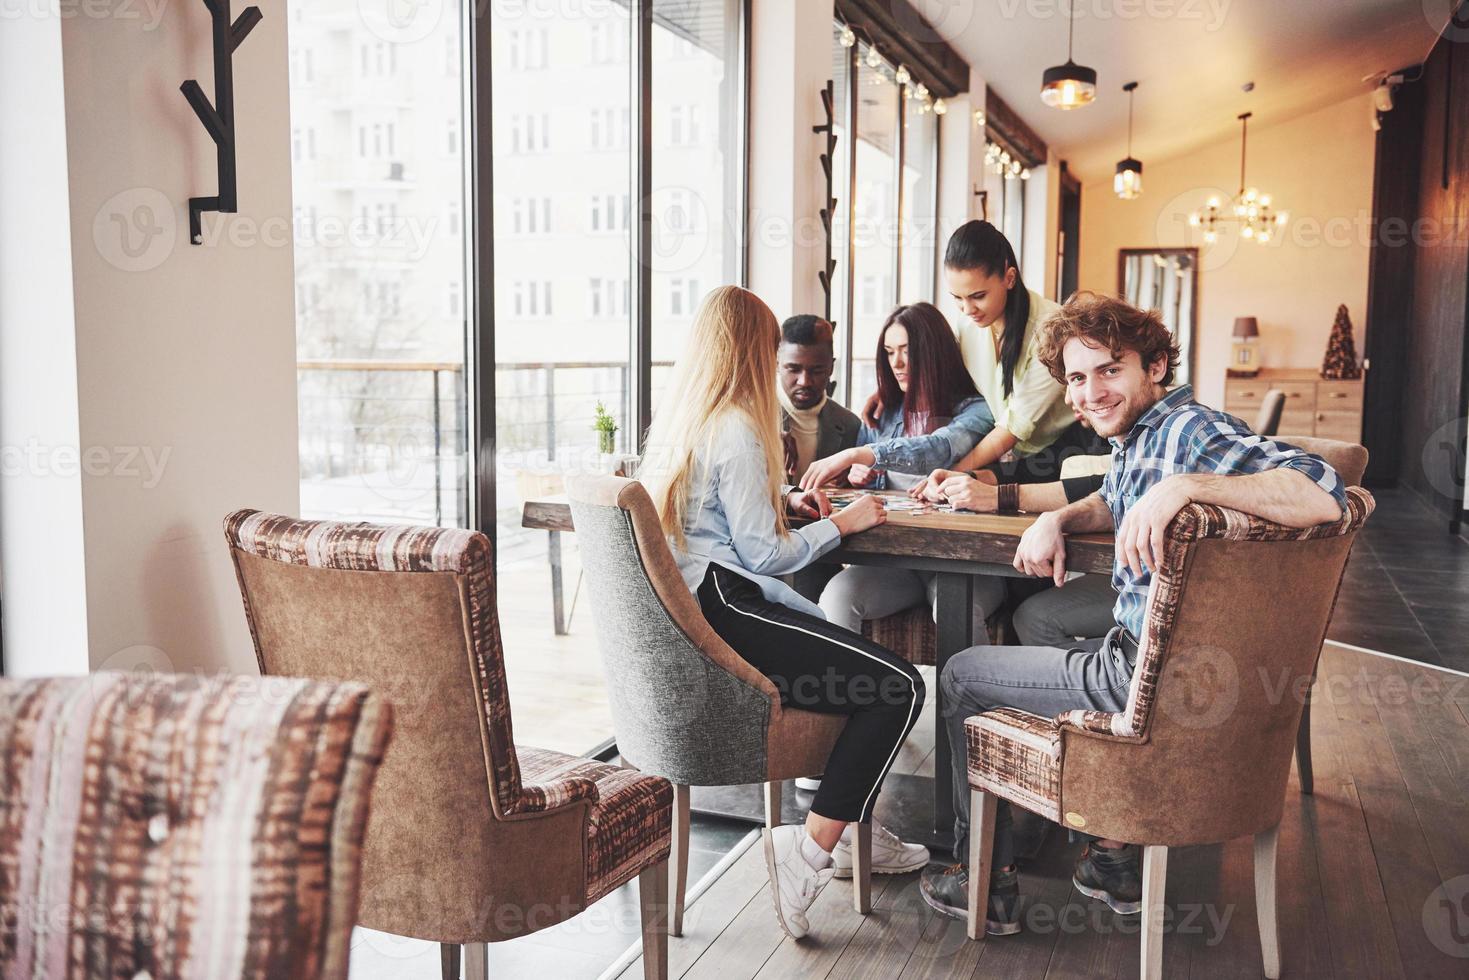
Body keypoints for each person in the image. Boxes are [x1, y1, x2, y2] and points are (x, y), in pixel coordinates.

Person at [918, 292, 1347, 934]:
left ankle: (985, 880)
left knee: (959, 673)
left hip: (1141, 674)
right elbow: (1117, 501)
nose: (1092, 392)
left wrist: (1185, 487)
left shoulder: (1187, 433)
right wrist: (1059, 516)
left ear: (1154, 366)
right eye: (1077, 378)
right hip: (1174, 666)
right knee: (1041, 619)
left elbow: (1325, 492)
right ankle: (1107, 847)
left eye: (1109, 370)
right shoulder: (1144, 436)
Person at [639, 285, 930, 941]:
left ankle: (848, 827)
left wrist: (782, 500)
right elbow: (766, 558)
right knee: (898, 687)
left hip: (698, 607)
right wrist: (847, 521)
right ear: (754, 352)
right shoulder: (740, 428)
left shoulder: (687, 422)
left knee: (859, 673)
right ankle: (811, 852)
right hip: (728, 609)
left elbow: (721, 520)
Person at [797, 302, 1002, 634]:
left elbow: (936, 449)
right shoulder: (884, 413)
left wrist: (857, 454)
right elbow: (872, 485)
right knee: (838, 594)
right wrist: (860, 478)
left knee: (953, 607)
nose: (897, 363)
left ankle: (972, 688)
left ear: (934, 353)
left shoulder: (976, 411)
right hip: (900, 563)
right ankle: (841, 686)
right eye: (890, 352)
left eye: (907, 351)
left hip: (967, 562)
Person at [888, 220, 1107, 485]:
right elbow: (948, 377)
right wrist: (887, 394)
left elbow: (1014, 426)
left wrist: (955, 472)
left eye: (978, 295)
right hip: (1008, 458)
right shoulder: (968, 325)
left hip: (1063, 454)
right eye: (957, 298)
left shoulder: (1053, 328)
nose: (968, 309)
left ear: (1009, 278)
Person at [778, 314, 861, 608]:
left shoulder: (850, 425)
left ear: (831, 368)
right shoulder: (754, 420)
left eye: (816, 370)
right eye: (793, 369)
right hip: (763, 558)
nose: (804, 381)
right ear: (777, 363)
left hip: (822, 560)